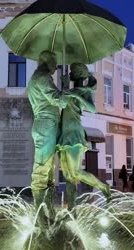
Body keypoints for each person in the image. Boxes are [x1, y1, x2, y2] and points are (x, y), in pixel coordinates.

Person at [27, 50, 81, 214]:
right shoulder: (42, 78)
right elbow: (60, 101)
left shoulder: (38, 78)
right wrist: (65, 87)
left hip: (46, 125)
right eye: (54, 63)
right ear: (47, 62)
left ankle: (47, 211)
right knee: (42, 168)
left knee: (48, 170)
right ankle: (41, 216)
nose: (56, 67)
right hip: (46, 125)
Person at [57, 62, 111, 210]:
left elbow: (92, 108)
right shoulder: (71, 89)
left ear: (79, 74)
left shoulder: (84, 91)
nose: (70, 74)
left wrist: (75, 94)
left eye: (72, 71)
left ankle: (103, 187)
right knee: (68, 175)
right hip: (64, 133)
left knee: (75, 172)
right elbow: (61, 105)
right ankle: (71, 208)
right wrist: (65, 88)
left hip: (74, 134)